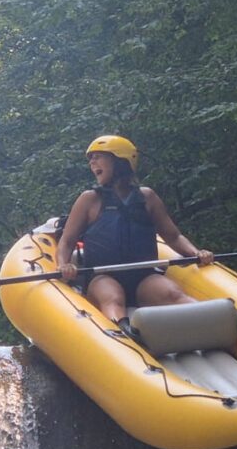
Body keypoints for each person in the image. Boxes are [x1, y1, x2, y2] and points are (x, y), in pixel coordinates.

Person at [58, 135, 213, 332]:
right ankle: (123, 335)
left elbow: (173, 236)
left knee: (172, 294)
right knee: (112, 297)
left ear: (120, 161)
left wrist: (196, 253)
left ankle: (210, 321)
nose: (92, 163)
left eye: (98, 157)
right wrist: (63, 264)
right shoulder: (89, 199)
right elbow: (67, 241)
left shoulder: (147, 197)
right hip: (102, 276)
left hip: (143, 276)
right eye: (91, 159)